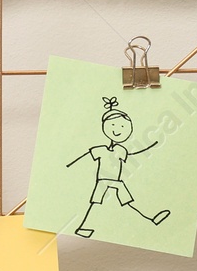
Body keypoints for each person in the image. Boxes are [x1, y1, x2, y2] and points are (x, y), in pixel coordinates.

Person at [66, 97, 169, 238]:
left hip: (116, 182)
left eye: (121, 126)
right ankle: (84, 227)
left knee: (127, 202)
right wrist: (68, 167)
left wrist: (150, 146)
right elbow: (83, 158)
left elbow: (134, 153)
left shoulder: (121, 150)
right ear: (105, 128)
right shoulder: (100, 150)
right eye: (113, 126)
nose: (117, 130)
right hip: (103, 181)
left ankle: (152, 217)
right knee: (97, 203)